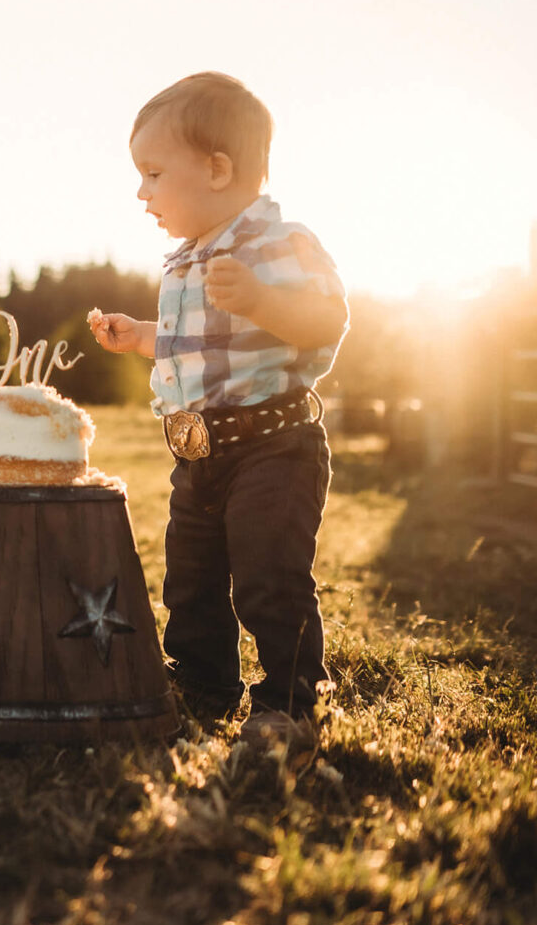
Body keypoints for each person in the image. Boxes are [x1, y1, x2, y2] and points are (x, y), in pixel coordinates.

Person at [89, 72, 348, 759]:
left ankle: (290, 699)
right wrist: (139, 334)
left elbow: (326, 319)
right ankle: (203, 682)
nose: (141, 193)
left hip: (274, 446)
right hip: (197, 455)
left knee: (268, 573)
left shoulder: (280, 245)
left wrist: (263, 299)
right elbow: (193, 344)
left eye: (152, 173)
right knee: (191, 578)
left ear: (217, 168)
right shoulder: (183, 260)